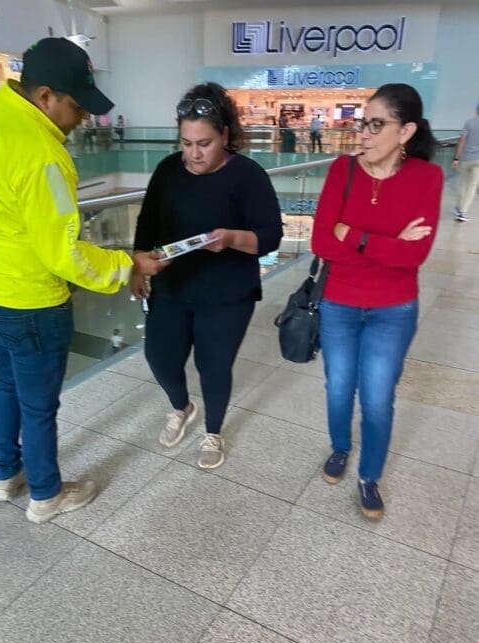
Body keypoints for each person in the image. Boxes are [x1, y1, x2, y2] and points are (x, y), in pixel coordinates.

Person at [0, 37, 165, 524]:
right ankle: (45, 494)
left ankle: (5, 475)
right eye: (76, 106)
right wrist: (127, 265)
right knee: (39, 406)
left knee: (7, 382)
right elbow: (65, 254)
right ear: (45, 96)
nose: (82, 118)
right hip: (30, 303)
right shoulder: (44, 155)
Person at [131, 82, 282, 469]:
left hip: (227, 293)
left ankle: (213, 430)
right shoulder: (168, 170)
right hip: (172, 287)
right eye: (186, 143)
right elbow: (147, 224)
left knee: (213, 366)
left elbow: (270, 237)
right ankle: (181, 407)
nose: (193, 154)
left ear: (225, 136)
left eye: (204, 144)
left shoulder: (248, 176)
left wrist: (231, 238)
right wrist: (137, 265)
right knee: (159, 357)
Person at [311, 83, 443, 519]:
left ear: (405, 132)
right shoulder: (342, 170)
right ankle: (340, 447)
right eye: (362, 123)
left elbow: (414, 256)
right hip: (338, 302)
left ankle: (369, 476)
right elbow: (321, 241)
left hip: (393, 309)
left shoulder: (427, 178)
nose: (363, 134)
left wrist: (353, 234)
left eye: (375, 124)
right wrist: (388, 243)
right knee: (337, 387)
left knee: (377, 397)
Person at [452, 102, 479, 221]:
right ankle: (463, 212)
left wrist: (456, 158)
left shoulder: (469, 122)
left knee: (462, 184)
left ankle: (459, 207)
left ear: (476, 110)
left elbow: (462, 141)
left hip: (466, 158)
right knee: (472, 187)